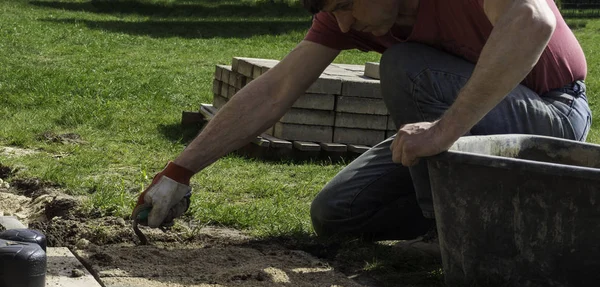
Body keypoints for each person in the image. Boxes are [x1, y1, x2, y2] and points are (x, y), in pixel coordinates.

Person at [133, 0, 591, 242]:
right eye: (334, 12)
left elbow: (532, 19)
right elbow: (275, 90)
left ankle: (444, 235)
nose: (345, 23)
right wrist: (180, 171)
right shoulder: (346, 17)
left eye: (348, 4)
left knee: (406, 66)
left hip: (549, 120)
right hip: (464, 126)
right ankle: (481, 224)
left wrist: (442, 131)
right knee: (339, 214)